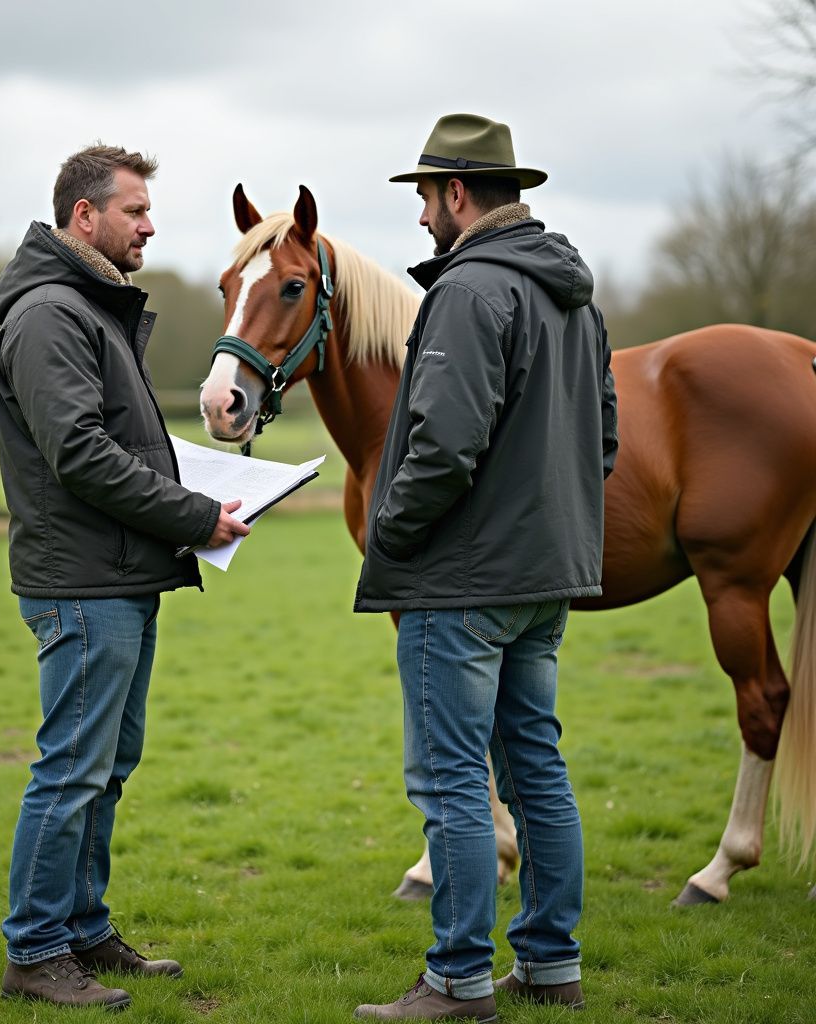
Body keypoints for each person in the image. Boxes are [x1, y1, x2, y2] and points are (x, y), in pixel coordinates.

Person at [353, 114, 619, 1021]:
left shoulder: (467, 293)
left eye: (426, 196)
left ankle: (458, 981)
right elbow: (604, 437)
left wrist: (388, 530)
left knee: (453, 779)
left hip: (460, 583)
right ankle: (551, 967)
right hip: (545, 578)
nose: (423, 215)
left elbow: (443, 445)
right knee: (535, 768)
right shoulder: (576, 295)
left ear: (457, 194)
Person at [0, 144, 250, 1010]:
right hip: (82, 583)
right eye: (135, 210)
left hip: (121, 577)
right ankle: (34, 952)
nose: (150, 224)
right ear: (83, 217)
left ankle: (84, 929)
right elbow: (80, 455)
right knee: (71, 768)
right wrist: (193, 516)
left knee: (107, 766)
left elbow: (122, 444)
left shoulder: (92, 309)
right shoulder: (49, 315)